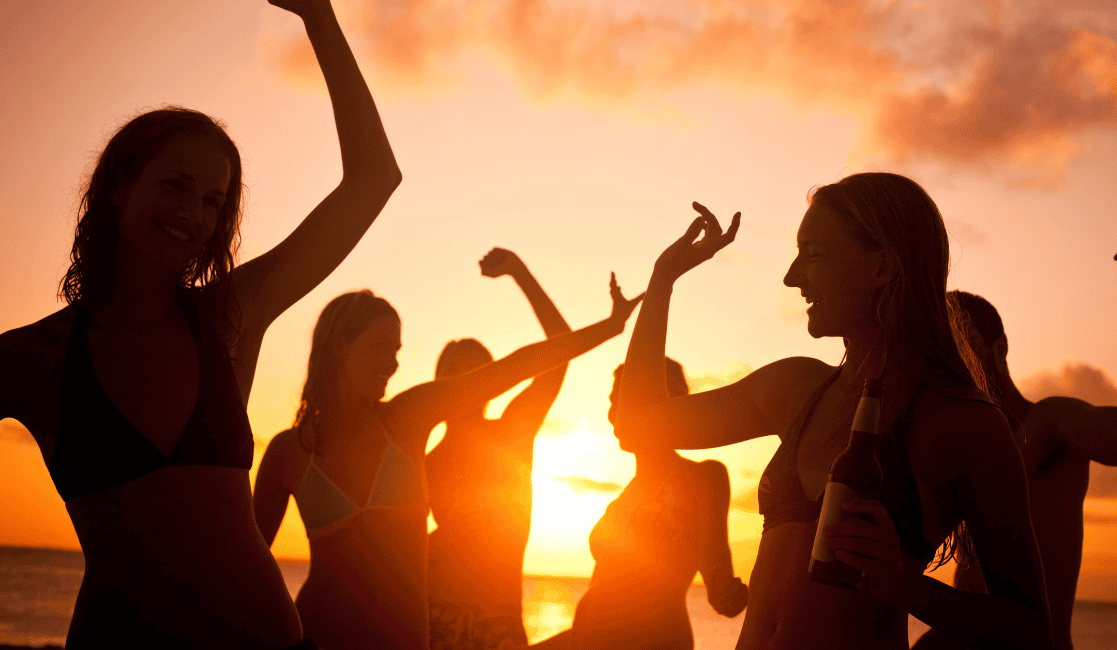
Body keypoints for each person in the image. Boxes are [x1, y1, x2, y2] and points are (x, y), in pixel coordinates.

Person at [0, 0, 399, 646]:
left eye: (213, 201)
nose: (194, 213)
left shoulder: (229, 316)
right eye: (177, 185)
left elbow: (373, 180)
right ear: (117, 186)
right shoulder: (33, 358)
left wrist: (318, 17)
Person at [615, 174, 1054, 649]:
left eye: (813, 254)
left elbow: (1031, 631)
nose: (792, 276)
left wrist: (905, 585)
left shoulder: (963, 423)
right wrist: (663, 280)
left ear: (882, 267)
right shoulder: (794, 388)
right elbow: (641, 426)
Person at [253, 273, 642, 650]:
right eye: (381, 347)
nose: (393, 364)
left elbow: (523, 363)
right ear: (340, 345)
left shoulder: (412, 422)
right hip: (328, 636)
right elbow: (247, 566)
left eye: (397, 351)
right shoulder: (291, 452)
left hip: (450, 635)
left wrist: (610, 326)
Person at [912, 221, 1117, 650]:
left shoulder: (1050, 424)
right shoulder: (954, 444)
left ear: (998, 349)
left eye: (961, 348)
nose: (949, 365)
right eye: (939, 353)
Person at [532, 358, 748, 650]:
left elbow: (725, 599)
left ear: (657, 402)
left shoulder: (700, 478)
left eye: (620, 400)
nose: (611, 414)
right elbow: (594, 618)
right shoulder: (619, 502)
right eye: (611, 402)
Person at [426, 248, 572, 649]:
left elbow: (563, 349)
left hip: (498, 629)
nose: (467, 382)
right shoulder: (424, 463)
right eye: (457, 372)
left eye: (479, 372)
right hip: (431, 626)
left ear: (495, 380)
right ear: (439, 381)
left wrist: (518, 272)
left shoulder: (510, 436)